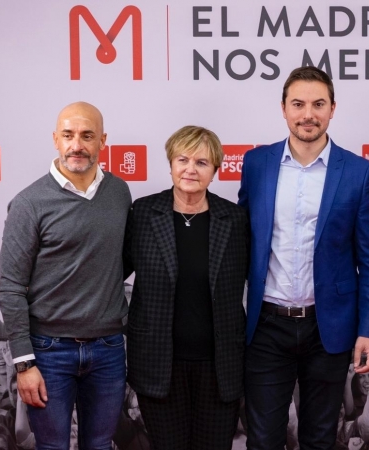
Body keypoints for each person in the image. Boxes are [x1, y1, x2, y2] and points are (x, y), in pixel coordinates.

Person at [238, 66, 369, 449]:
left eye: (318, 104)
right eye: (298, 104)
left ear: (333, 108)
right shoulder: (257, 164)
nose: (308, 114)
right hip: (268, 326)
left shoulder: (357, 172)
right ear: (284, 109)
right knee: (264, 439)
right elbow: (241, 241)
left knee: (320, 438)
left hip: (329, 328)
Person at [0, 101, 131, 448]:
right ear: (56, 139)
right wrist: (24, 363)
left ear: (103, 140)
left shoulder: (119, 192)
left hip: (108, 349)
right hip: (48, 352)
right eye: (69, 135)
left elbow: (118, 260)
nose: (77, 145)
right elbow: (11, 287)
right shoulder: (29, 203)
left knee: (100, 445)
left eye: (87, 136)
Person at [123, 125, 248, 449]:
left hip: (219, 368)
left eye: (202, 162)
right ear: (171, 164)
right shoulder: (143, 213)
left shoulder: (234, 220)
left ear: (216, 170)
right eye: (183, 159)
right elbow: (113, 275)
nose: (191, 169)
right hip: (158, 366)